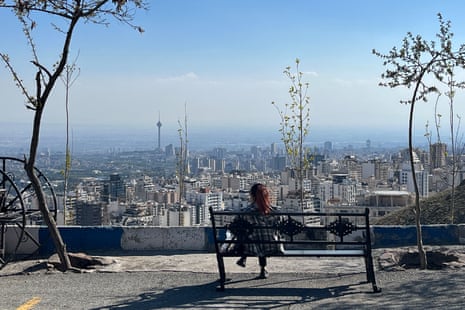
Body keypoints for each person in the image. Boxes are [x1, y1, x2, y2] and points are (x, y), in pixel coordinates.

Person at [235, 183, 281, 279]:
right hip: (272, 245)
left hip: (252, 247)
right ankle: (262, 269)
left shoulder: (245, 212)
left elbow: (235, 225)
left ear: (252, 196)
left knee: (250, 235)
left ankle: (244, 257)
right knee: (261, 237)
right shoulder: (275, 212)